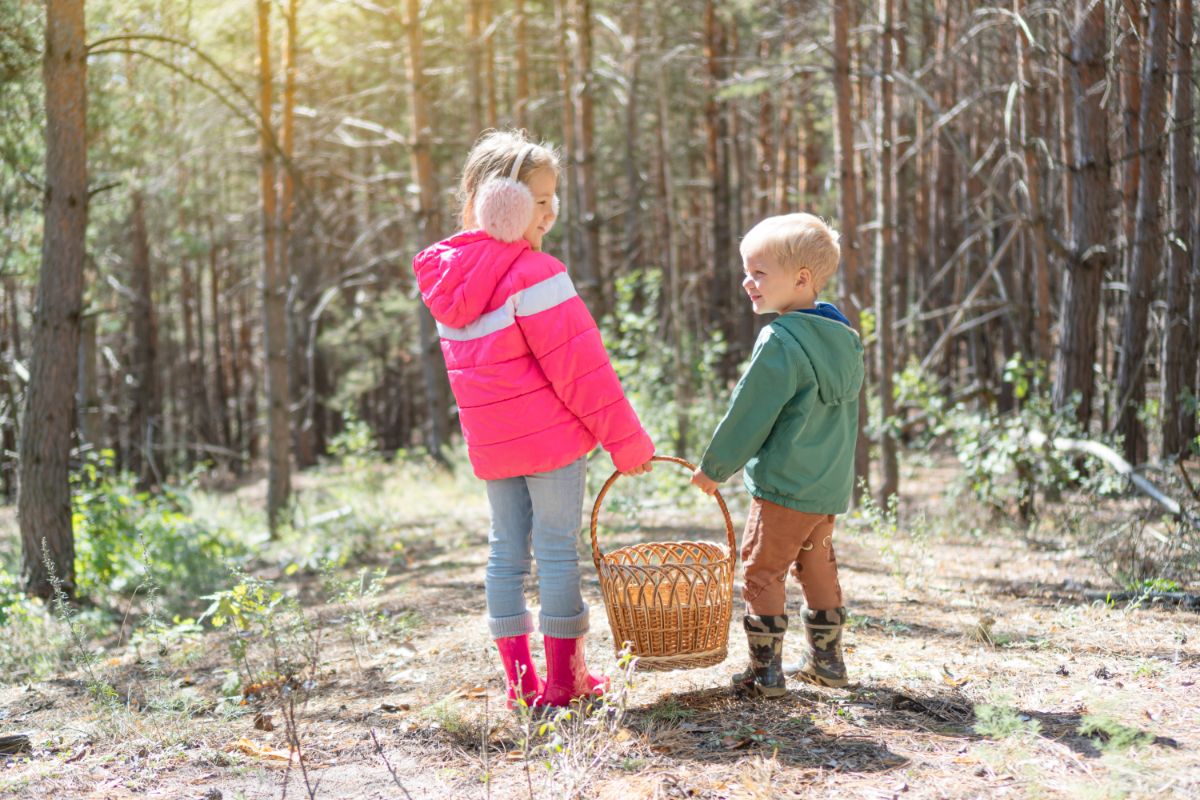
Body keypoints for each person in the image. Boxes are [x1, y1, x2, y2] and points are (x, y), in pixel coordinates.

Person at [412, 130, 654, 709]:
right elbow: (582, 371)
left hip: (494, 447)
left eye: (553, 197)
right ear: (499, 199)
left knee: (504, 552)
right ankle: (565, 682)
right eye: (539, 198)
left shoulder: (448, 276)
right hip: (550, 446)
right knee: (555, 550)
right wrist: (627, 441)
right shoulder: (535, 273)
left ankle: (521, 682)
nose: (551, 212)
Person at [690, 213, 864, 697]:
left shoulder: (782, 339)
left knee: (763, 570)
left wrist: (714, 467)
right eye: (747, 271)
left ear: (802, 279)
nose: (748, 282)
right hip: (827, 486)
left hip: (785, 485)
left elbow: (751, 410)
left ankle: (765, 673)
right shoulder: (844, 337)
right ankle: (828, 663)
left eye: (759, 273)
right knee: (818, 566)